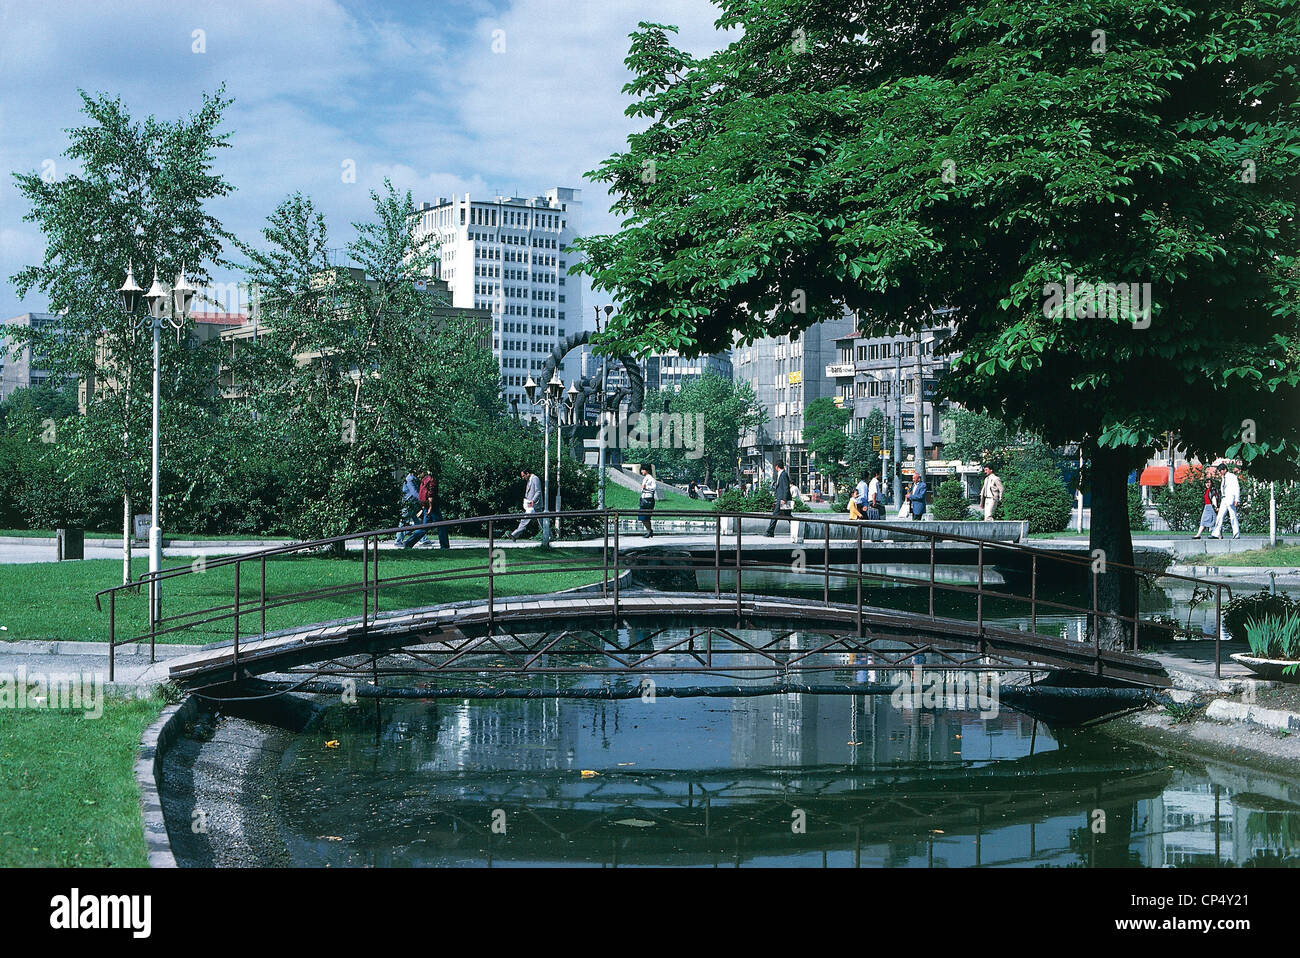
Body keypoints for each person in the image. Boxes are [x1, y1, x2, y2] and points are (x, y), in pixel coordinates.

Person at [406, 470, 450, 549]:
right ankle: (444, 546)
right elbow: (430, 494)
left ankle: (409, 543)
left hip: (426, 506)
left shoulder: (423, 481)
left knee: (424, 528)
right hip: (432, 507)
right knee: (441, 526)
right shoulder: (431, 480)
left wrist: (424, 507)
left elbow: (423, 495)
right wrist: (430, 507)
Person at [508, 467, 543, 541]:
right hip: (531, 504)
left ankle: (515, 535)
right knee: (541, 522)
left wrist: (533, 501)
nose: (523, 478)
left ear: (527, 473)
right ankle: (550, 536)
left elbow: (538, 491)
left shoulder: (535, 479)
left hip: (533, 504)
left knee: (525, 519)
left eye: (524, 476)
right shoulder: (529, 479)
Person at [1211, 463, 1241, 539]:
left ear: (1224, 470)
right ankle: (1216, 533)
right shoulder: (1223, 478)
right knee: (1220, 516)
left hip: (1230, 498)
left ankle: (1236, 534)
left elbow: (1236, 487)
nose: (1219, 472)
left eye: (1220, 471)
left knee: (1233, 516)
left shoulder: (1232, 476)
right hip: (1224, 498)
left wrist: (1237, 499)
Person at [765, 460, 792, 537]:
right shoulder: (781, 474)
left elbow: (786, 487)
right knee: (788, 516)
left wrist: (784, 499)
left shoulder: (783, 474)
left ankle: (770, 532)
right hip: (781, 499)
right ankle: (797, 527)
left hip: (782, 500)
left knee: (775, 515)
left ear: (777, 466)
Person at [395, 468, 421, 545]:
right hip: (408, 503)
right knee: (403, 521)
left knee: (417, 523)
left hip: (412, 502)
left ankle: (423, 539)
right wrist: (422, 500)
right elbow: (414, 492)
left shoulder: (413, 478)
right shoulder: (410, 479)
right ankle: (398, 540)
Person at [1193, 466, 1219, 540]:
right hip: (1206, 507)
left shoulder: (1212, 490)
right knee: (1204, 521)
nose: (1207, 484)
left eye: (1209, 482)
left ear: (1211, 483)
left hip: (1211, 507)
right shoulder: (1206, 491)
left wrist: (1216, 507)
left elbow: (1214, 498)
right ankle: (1198, 534)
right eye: (1206, 483)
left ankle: (1218, 535)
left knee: (1214, 521)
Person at [638, 464, 657, 537]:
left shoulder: (651, 479)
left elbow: (654, 488)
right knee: (642, 516)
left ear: (647, 470)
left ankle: (649, 531)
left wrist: (646, 487)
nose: (642, 471)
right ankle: (649, 530)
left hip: (648, 499)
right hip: (643, 498)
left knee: (646, 516)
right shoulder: (645, 478)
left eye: (643, 469)